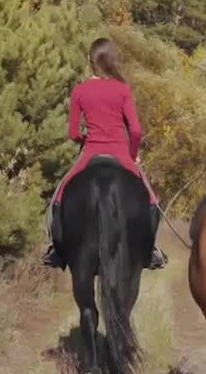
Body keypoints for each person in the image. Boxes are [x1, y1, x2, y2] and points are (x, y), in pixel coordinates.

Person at [42, 37, 167, 270]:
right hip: (121, 153)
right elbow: (136, 130)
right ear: (112, 60)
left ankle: (56, 251)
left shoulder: (79, 91)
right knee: (150, 199)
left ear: (89, 61)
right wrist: (131, 154)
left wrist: (85, 139)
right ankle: (150, 250)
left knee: (59, 197)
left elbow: (72, 133)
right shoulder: (122, 90)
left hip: (90, 152)